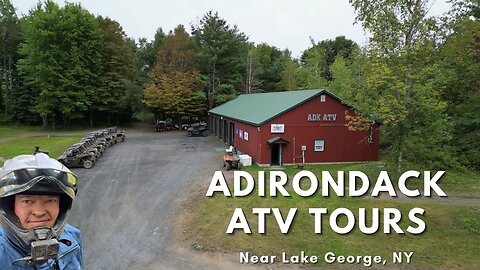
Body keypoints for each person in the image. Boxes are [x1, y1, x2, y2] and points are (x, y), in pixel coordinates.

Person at [0, 153, 82, 269]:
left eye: (50, 201)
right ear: (8, 207)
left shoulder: (71, 236)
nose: (39, 212)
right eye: (27, 201)